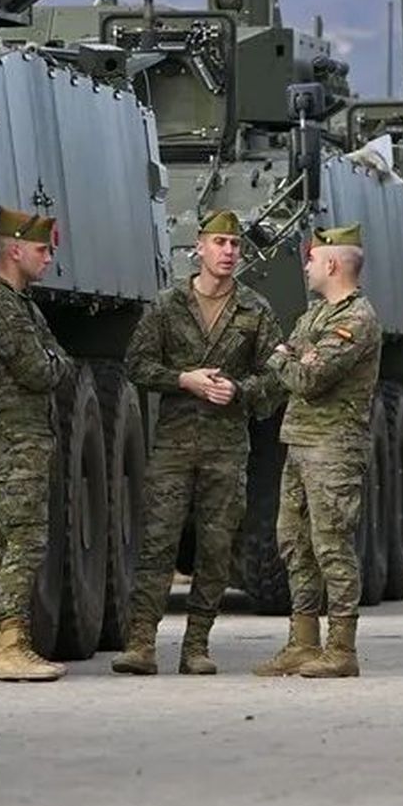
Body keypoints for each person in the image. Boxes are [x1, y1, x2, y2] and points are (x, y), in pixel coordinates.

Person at [111, 210, 283, 675]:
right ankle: (142, 642)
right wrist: (183, 379)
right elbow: (137, 365)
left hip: (227, 447)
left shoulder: (255, 310)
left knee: (216, 545)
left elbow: (277, 374)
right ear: (200, 248)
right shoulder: (167, 307)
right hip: (174, 444)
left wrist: (241, 391)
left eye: (235, 245)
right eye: (220, 243)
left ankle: (196, 647)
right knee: (157, 542)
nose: (229, 252)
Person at [254, 224, 381, 679]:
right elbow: (299, 361)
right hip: (300, 440)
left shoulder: (356, 320)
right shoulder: (315, 315)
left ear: (331, 264)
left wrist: (281, 356)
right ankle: (303, 643)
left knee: (331, 545)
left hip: (333, 447)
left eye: (310, 260)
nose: (305, 267)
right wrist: (294, 355)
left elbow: (310, 378)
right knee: (294, 543)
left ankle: (342, 648)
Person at [0, 205, 73, 681]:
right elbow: (42, 369)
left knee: (10, 540)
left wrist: (54, 363)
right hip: (11, 436)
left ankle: (6, 642)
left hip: (24, 434)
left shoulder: (21, 304)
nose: (48, 259)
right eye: (43, 250)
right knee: (24, 539)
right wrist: (54, 364)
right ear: (15, 249)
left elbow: (57, 362)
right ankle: (9, 646)